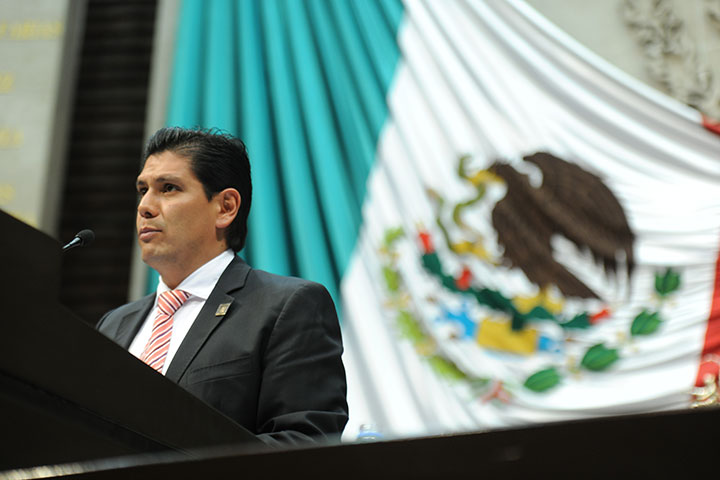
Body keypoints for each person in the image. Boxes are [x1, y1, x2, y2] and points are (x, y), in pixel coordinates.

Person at [97, 127, 348, 446]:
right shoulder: (114, 325)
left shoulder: (287, 306)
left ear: (226, 207)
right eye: (142, 190)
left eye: (169, 188)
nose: (144, 206)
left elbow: (305, 444)